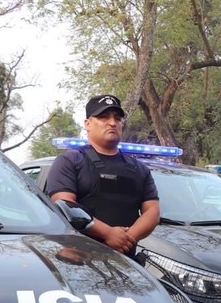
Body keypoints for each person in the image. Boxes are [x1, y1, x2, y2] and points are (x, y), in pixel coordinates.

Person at [46, 94, 160, 257]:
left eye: (117, 118)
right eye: (103, 117)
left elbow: (152, 212)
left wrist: (125, 240)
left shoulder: (139, 169)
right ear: (87, 124)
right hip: (79, 260)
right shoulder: (70, 161)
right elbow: (64, 204)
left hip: (125, 262)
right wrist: (108, 234)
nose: (112, 122)